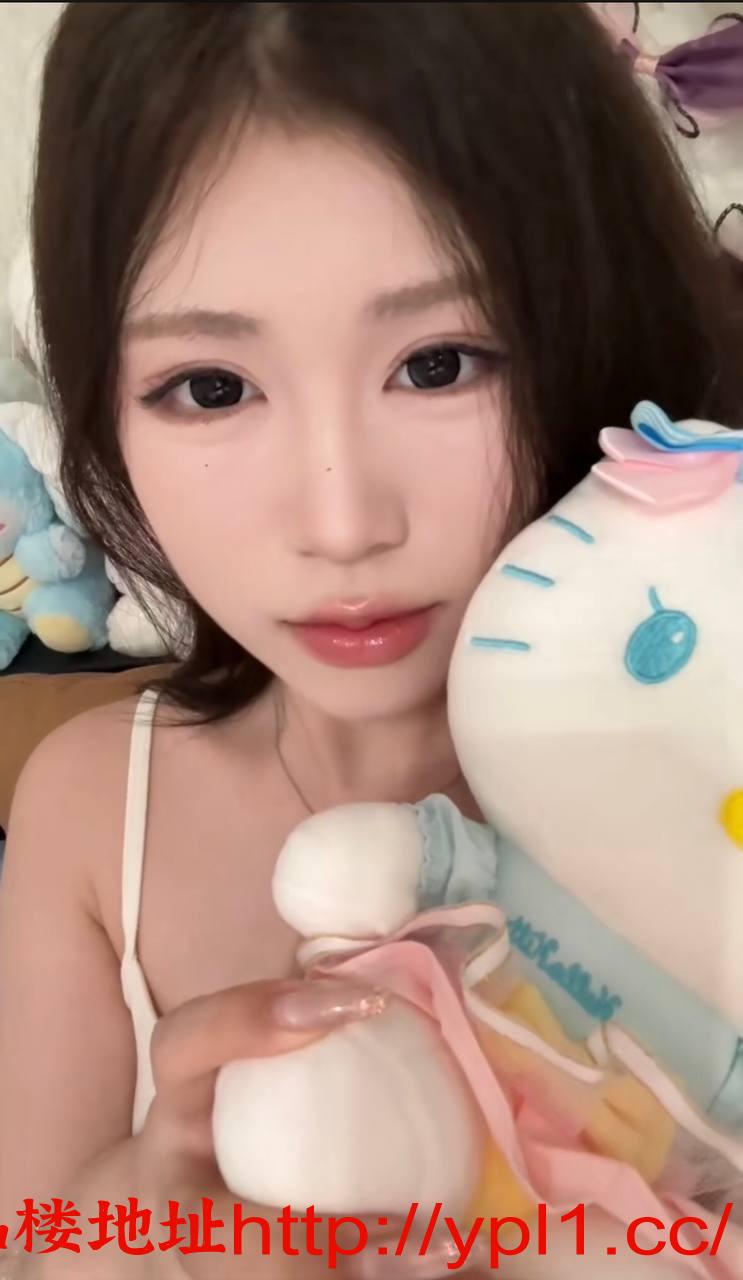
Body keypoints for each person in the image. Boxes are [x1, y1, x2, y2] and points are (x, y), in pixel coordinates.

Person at [1, 2, 743, 1276]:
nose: (341, 523)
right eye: (211, 387)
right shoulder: (91, 811)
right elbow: (30, 1238)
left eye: (440, 363)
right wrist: (151, 1214)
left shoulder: (704, 802)